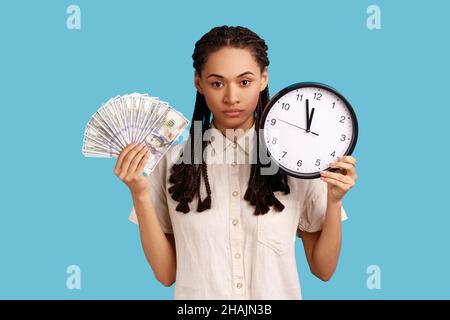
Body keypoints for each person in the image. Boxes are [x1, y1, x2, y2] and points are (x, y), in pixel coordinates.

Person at [114, 25, 358, 299]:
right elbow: (166, 274)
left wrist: (335, 200)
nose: (231, 97)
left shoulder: (297, 159)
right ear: (198, 82)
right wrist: (139, 193)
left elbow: (323, 270)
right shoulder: (172, 162)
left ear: (263, 79)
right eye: (217, 83)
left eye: (245, 82)